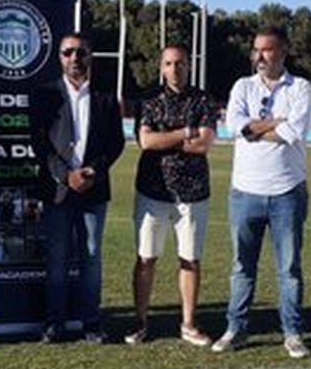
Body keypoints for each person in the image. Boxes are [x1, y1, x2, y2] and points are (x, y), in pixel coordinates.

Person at [213, 25, 311, 358]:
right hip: (245, 192)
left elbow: (294, 131)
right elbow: (236, 126)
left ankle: (292, 332)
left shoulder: (300, 87)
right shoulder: (242, 86)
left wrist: (256, 129)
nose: (259, 56)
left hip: (287, 191)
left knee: (289, 269)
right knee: (242, 267)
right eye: (256, 50)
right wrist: (274, 123)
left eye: (267, 50)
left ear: (283, 52)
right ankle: (236, 328)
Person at [29, 32, 124, 343]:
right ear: (60, 57)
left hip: (93, 190)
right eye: (67, 53)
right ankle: (54, 323)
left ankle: (91, 323)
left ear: (90, 55)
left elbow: (116, 142)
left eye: (80, 52)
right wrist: (64, 175)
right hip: (58, 191)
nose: (74, 58)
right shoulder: (45, 94)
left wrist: (92, 171)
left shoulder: (107, 97)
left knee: (91, 257)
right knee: (56, 259)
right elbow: (39, 142)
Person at [128, 45, 216, 346]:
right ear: (161, 67)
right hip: (152, 191)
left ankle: (189, 324)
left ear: (188, 65)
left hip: (193, 193)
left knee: (190, 259)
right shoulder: (150, 100)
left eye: (180, 63)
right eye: (168, 63)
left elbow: (203, 144)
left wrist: (167, 137)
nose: (175, 68)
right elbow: (147, 142)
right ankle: (140, 321)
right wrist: (184, 133)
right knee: (146, 258)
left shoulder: (202, 99)